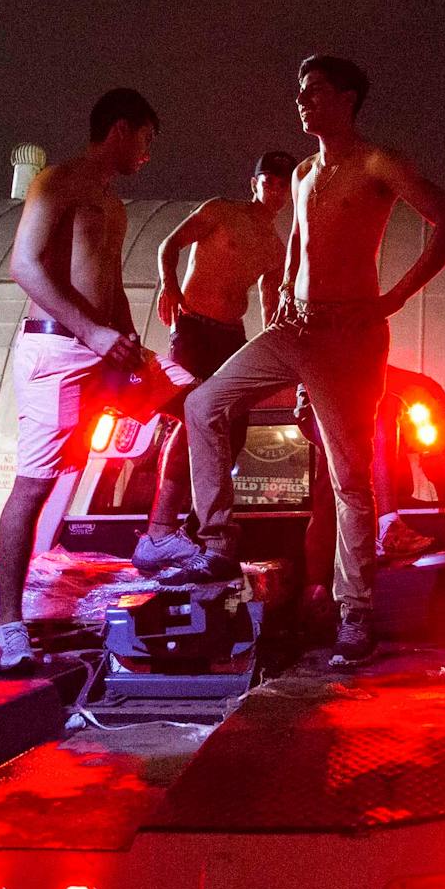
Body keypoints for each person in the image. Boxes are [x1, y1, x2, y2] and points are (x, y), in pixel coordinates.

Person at [162, 55, 445, 666]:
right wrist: (282, 296)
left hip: (348, 339)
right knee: (203, 403)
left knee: (350, 481)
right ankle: (217, 541)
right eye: (300, 92)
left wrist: (392, 299)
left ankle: (356, 615)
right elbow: (299, 244)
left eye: (314, 91)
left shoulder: (378, 163)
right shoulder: (304, 172)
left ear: (348, 98)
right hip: (294, 329)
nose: (302, 102)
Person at [0, 88, 192, 670]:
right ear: (120, 129)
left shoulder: (114, 203)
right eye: (146, 140)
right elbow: (24, 265)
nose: (148, 154)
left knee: (196, 402)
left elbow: (109, 281)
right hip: (56, 349)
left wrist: (129, 344)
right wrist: (93, 333)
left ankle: (160, 534)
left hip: (106, 348)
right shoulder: (56, 181)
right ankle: (8, 628)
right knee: (34, 486)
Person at [134, 150, 295, 576]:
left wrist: (276, 343)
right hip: (194, 327)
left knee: (234, 431)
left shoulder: (275, 246)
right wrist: (169, 285)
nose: (275, 192)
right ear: (255, 184)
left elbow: (271, 302)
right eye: (269, 182)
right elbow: (169, 244)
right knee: (193, 419)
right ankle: (158, 531)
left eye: (283, 185)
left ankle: (191, 528)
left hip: (231, 335)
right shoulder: (222, 211)